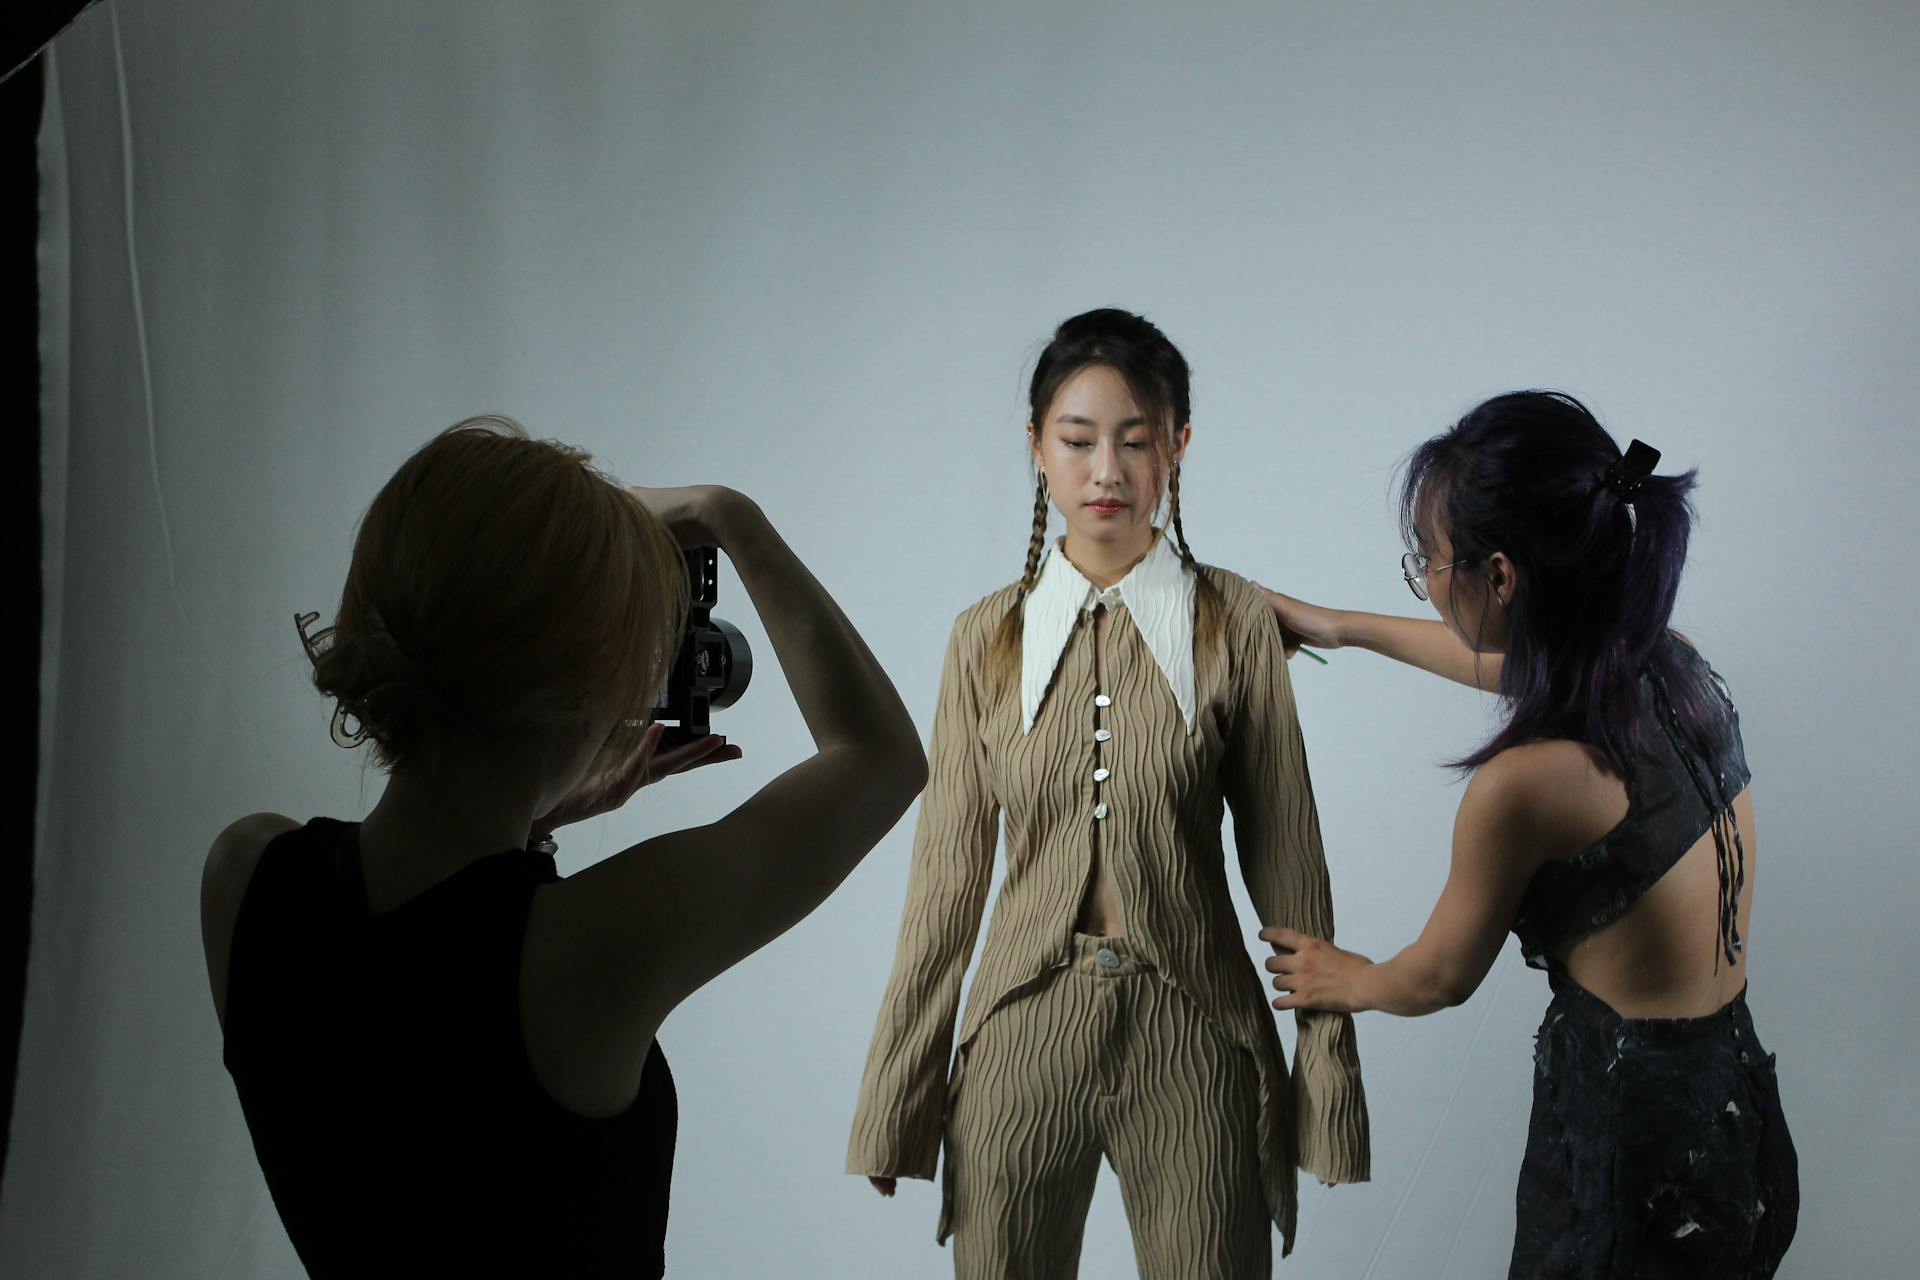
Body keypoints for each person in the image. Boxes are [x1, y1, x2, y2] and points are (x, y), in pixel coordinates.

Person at [198, 417, 926, 1278]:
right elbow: (879, 760)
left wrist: (534, 817)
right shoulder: (586, 947)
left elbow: (403, 1036)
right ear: (585, 691)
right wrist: (728, 515)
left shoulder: (248, 872)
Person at [847, 309, 1370, 1277]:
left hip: (1198, 1030)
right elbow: (944, 890)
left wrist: (1326, 1091)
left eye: (1135, 440)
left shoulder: (1236, 623)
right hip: (1019, 1033)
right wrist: (897, 1103)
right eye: (1078, 440)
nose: (1107, 471)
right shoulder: (980, 640)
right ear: (1037, 447)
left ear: (1177, 445)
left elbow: (1295, 869)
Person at [1258, 391, 1797, 1278]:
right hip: (1737, 1126)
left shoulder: (1523, 790)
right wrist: (1341, 628)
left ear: (1500, 577)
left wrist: (1346, 978)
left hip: (1635, 1174)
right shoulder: (1670, 665)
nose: (1425, 581)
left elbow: (1438, 978)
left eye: (1426, 562)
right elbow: (1529, 663)